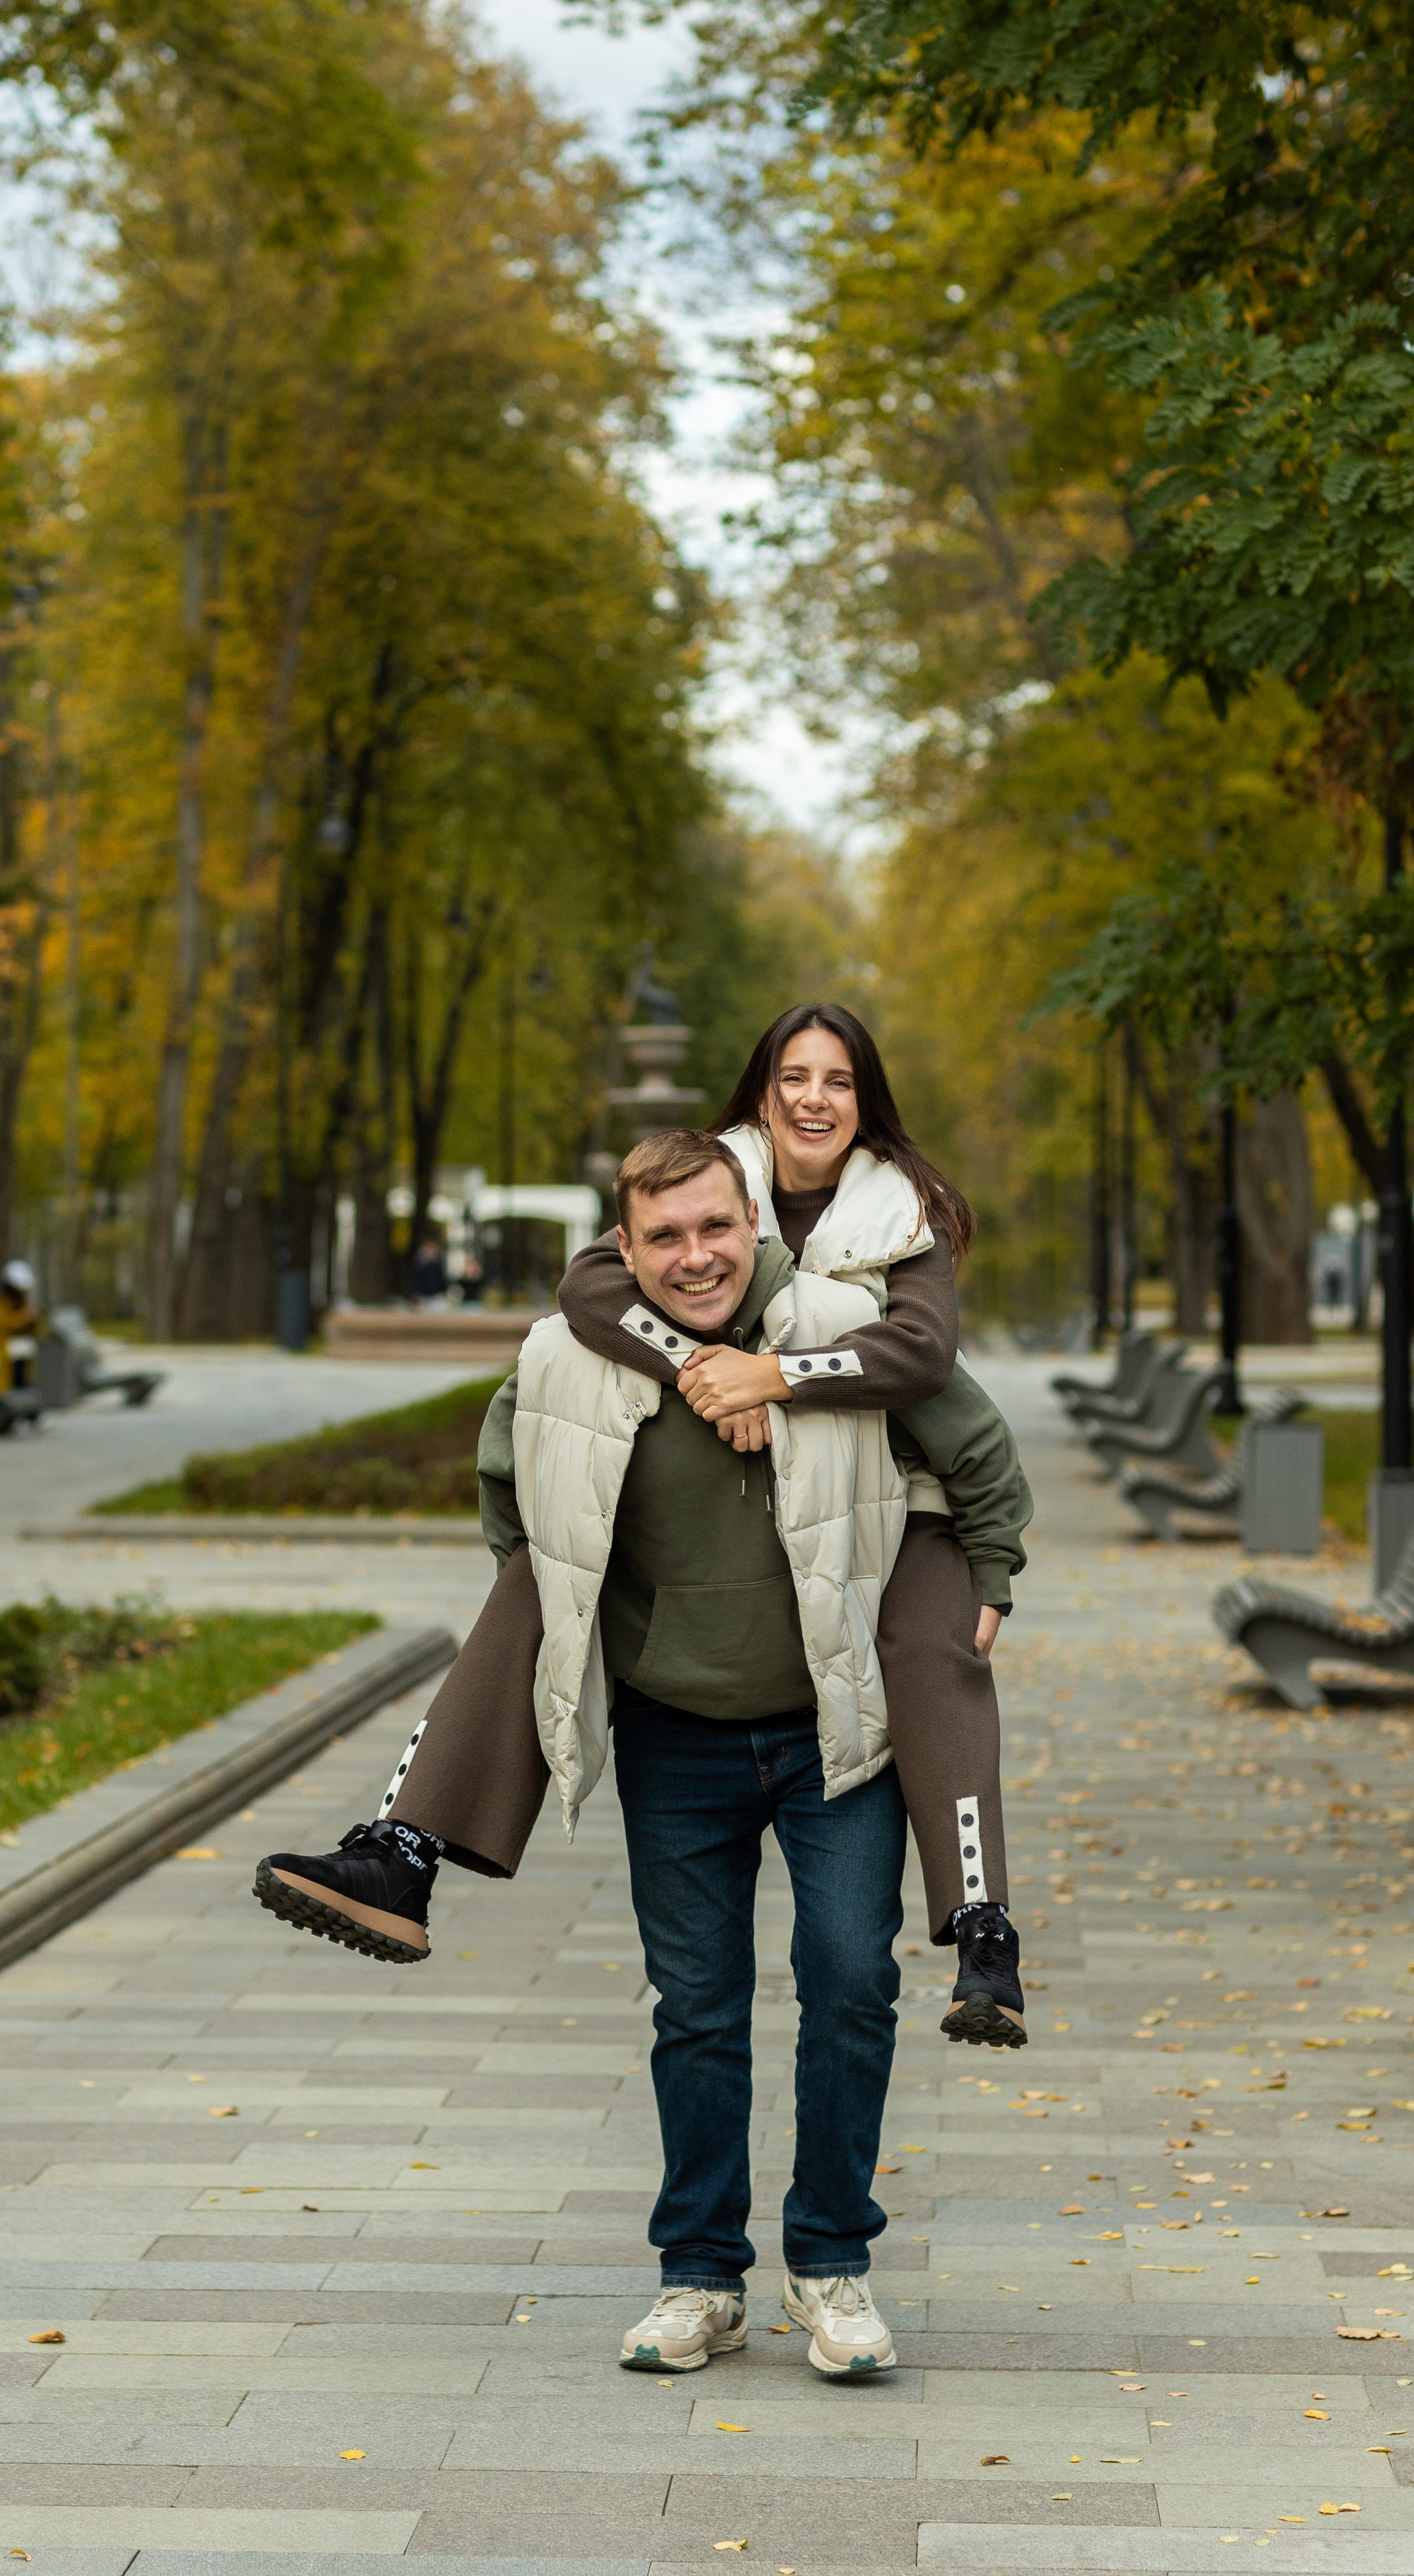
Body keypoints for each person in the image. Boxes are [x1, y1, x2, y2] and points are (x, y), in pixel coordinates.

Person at [259, 1117, 1022, 2382]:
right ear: (626, 1247)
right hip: (677, 1734)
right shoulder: (569, 1355)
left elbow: (978, 1448)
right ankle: (700, 2279)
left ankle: (831, 2266)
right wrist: (582, 1609)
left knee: (849, 1983)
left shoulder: (838, 1328)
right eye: (665, 1236)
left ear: (753, 1224)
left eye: (718, 1225)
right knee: (697, 2009)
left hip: (836, 1731)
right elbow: (509, 1485)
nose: (696, 1254)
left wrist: (985, 1576)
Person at [258, 1006, 1030, 2054]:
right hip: (723, 1484)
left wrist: (774, 1378)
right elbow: (587, 1287)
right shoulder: (708, 1178)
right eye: (793, 1077)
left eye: (838, 1080)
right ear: (760, 1093)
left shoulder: (903, 1214)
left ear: (866, 1102)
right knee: (547, 1571)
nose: (813, 1098)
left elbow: (930, 1366)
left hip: (889, 1479)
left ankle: (982, 1920)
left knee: (938, 1650)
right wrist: (705, 1373)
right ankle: (402, 1850)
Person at [0, 1259, 39, 1393]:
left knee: (23, 1380)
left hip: (23, 1351)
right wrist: (24, 1318)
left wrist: (33, 1320)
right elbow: (6, 1323)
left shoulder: (21, 1303)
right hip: (10, 1353)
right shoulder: (2, 1304)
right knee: (11, 1382)